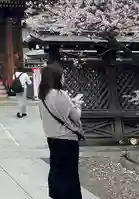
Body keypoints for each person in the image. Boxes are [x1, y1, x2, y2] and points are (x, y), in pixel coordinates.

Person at [38, 63, 84, 199]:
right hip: (67, 139)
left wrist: (71, 103)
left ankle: (57, 195)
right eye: (62, 76)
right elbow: (75, 117)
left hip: (51, 138)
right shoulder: (60, 94)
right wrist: (77, 106)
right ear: (56, 77)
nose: (64, 78)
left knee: (56, 170)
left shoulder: (42, 97)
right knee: (69, 173)